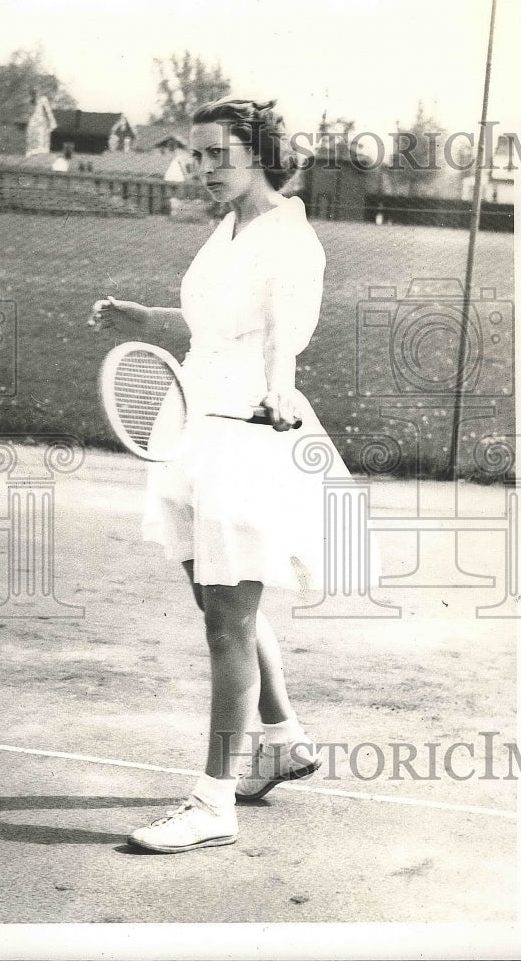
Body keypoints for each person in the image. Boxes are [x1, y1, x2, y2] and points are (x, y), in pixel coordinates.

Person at [92, 97, 375, 853]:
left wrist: (280, 388)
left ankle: (214, 801)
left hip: (248, 432)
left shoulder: (289, 236)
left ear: (259, 153)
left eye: (220, 154)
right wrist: (146, 320)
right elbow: (218, 320)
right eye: (197, 153)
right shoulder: (229, 228)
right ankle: (280, 737)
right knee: (218, 602)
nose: (203, 167)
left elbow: (281, 331)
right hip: (192, 424)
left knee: (228, 618)